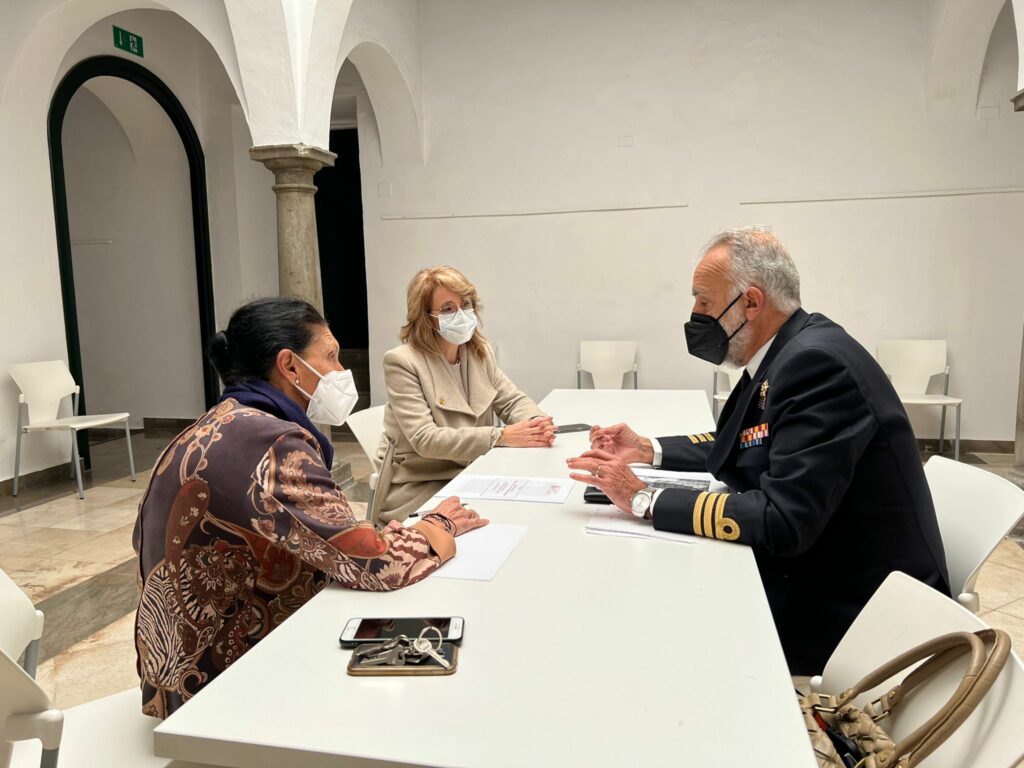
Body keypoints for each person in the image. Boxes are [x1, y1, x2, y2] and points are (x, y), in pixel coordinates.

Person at [567, 227, 950, 674]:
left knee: (663, 624)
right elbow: (750, 441)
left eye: (704, 303)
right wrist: (647, 449)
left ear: (751, 303)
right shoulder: (791, 349)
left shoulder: (815, 365)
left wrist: (644, 499)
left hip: (858, 612)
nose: (695, 316)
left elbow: (784, 521)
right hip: (829, 570)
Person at [133, 297, 487, 717]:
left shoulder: (216, 425)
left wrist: (379, 537)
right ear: (290, 366)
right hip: (227, 690)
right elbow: (379, 566)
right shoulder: (275, 444)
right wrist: (437, 527)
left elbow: (332, 539)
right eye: (331, 356)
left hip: (177, 678)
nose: (340, 370)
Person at [376, 266, 555, 522]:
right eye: (448, 309)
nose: (461, 315)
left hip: (476, 472)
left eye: (466, 304)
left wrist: (538, 424)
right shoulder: (402, 362)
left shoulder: (478, 351)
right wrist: (499, 436)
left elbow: (511, 401)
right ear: (425, 317)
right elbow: (425, 439)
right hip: (423, 483)